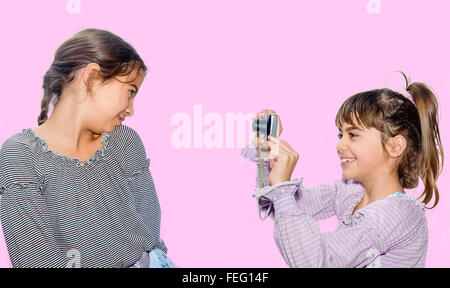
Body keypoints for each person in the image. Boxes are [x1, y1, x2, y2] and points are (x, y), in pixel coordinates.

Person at [0, 28, 175, 268]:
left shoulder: (124, 142)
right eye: (130, 92)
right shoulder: (21, 156)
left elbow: (150, 234)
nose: (131, 110)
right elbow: (34, 259)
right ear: (91, 77)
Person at [241, 73, 444, 267]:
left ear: (395, 146)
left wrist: (283, 189)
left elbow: (316, 262)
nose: (339, 145)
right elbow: (277, 207)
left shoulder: (397, 214)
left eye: (353, 134)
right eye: (341, 135)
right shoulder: (351, 191)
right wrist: (268, 155)